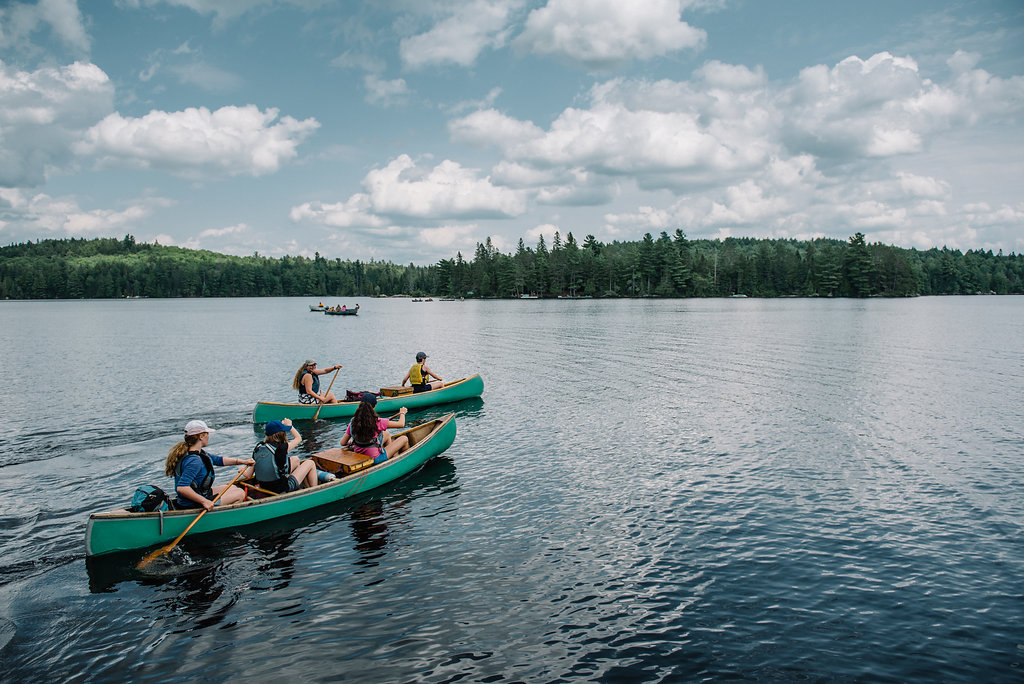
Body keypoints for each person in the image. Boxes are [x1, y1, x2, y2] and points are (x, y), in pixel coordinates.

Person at [164, 420, 254, 510]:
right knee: (240, 494)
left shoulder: (195, 453)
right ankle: (221, 519)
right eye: (207, 434)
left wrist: (243, 461)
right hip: (192, 504)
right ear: (201, 436)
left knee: (232, 487)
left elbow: (219, 460)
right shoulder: (194, 461)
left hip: (199, 495)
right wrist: (204, 501)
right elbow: (182, 488)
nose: (208, 436)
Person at [247, 419, 321, 493]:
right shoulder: (282, 447)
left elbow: (248, 475)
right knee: (310, 463)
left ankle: (299, 486)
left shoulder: (258, 448)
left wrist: (241, 469)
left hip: (263, 486)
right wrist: (290, 426)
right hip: (281, 488)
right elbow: (298, 438)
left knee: (295, 459)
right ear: (282, 434)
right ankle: (315, 491)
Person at [340, 394, 409, 463]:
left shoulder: (353, 421)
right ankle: (403, 462)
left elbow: (342, 443)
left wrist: (352, 441)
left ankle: (391, 458)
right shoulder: (377, 421)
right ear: (375, 405)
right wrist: (402, 413)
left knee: (386, 433)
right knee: (404, 439)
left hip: (358, 456)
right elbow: (401, 424)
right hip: (375, 459)